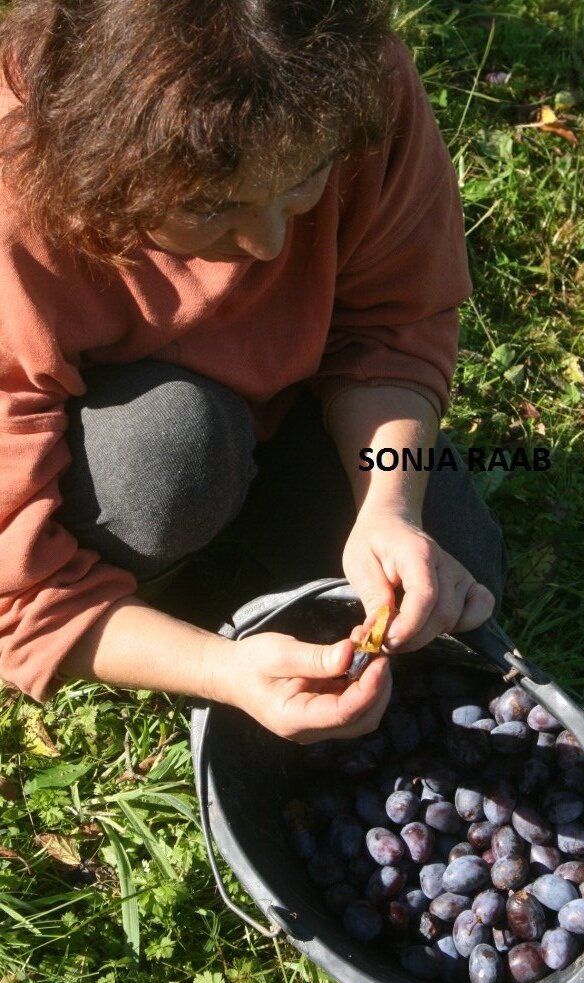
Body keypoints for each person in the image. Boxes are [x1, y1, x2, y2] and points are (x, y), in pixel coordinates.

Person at [0, 0, 506, 744]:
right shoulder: (18, 192)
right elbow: (18, 585)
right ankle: (163, 595)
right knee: (171, 456)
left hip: (291, 402)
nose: (270, 243)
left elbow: (392, 326)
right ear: (98, 170)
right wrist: (221, 670)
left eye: (305, 180)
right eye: (211, 206)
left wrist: (389, 505)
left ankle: (239, 561)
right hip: (127, 443)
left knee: (455, 574)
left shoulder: (348, 81)